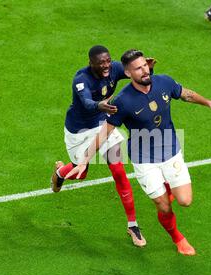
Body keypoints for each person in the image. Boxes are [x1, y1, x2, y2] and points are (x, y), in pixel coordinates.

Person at [65, 49, 211, 255]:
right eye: (138, 69)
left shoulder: (164, 82)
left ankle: (167, 186)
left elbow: (186, 94)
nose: (144, 71)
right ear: (128, 73)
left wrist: (208, 103)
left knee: (185, 201)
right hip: (144, 158)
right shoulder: (122, 101)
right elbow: (104, 133)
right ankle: (178, 238)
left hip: (170, 149)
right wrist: (84, 160)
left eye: (145, 66)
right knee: (163, 207)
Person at [51, 45, 158, 247]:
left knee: (119, 171)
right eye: (101, 63)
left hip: (103, 124)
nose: (107, 65)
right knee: (80, 173)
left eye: (108, 60)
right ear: (91, 63)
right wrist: (100, 105)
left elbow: (135, 75)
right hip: (79, 130)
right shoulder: (81, 80)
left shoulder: (115, 69)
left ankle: (133, 225)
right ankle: (61, 173)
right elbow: (87, 102)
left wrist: (148, 70)